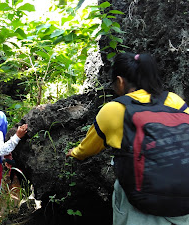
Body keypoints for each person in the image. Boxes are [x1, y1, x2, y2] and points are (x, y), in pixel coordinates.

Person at [66, 52, 189, 225]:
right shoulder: (174, 100)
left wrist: (74, 153)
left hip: (141, 202)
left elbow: (87, 148)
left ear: (120, 81)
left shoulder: (114, 109)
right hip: (184, 199)